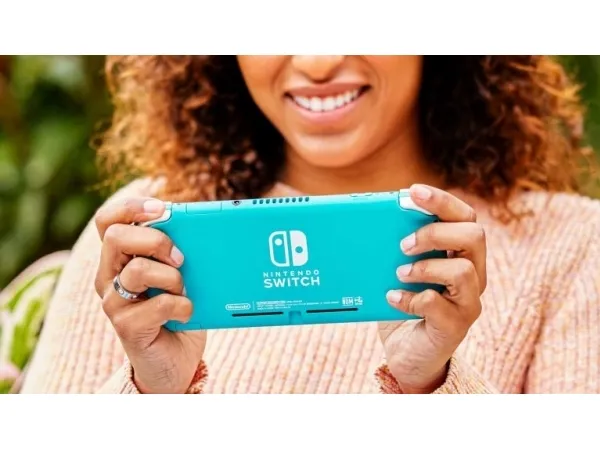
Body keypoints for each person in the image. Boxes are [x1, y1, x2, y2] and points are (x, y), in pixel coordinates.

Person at [20, 56, 600, 394]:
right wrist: (152, 393)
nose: (318, 62)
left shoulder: (569, 245)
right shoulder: (141, 233)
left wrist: (429, 384)